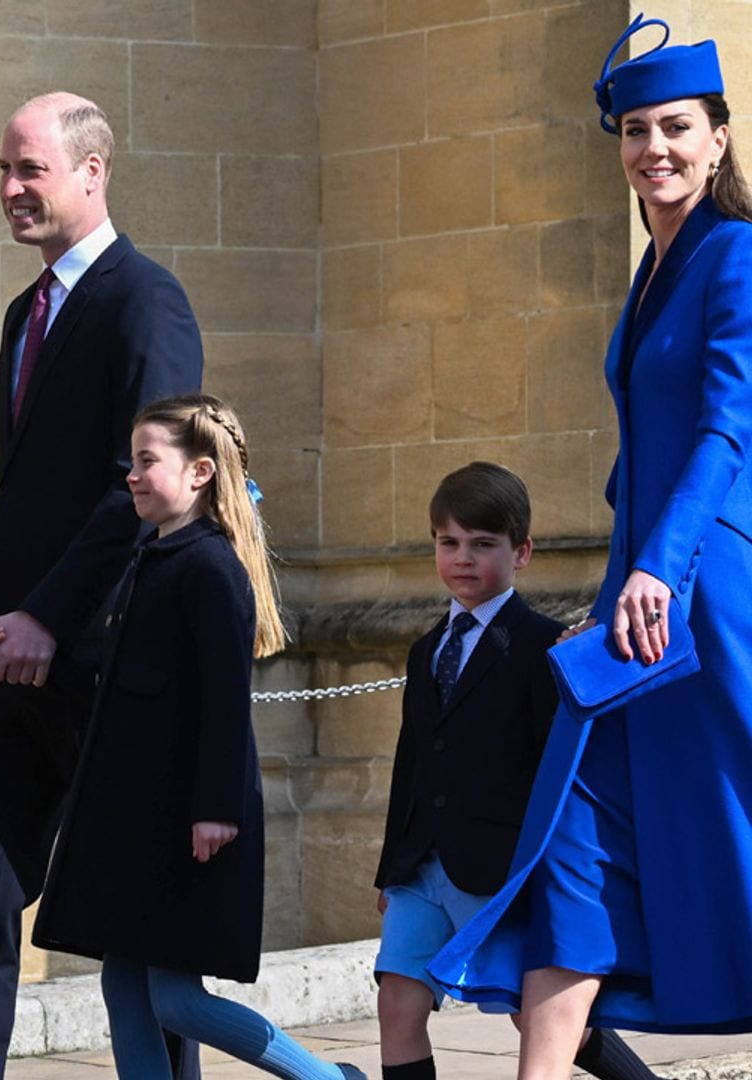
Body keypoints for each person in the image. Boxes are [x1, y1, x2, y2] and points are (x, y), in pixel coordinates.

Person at [428, 15, 752, 1077]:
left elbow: (726, 426)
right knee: (572, 843)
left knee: (730, 834)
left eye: (675, 128)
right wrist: (623, 562)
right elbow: (645, 443)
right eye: (635, 131)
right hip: (640, 595)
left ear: (717, 138)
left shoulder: (737, 254)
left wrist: (659, 562)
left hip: (709, 593)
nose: (653, 148)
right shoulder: (655, 266)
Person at [0, 92, 204, 1079]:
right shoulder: (19, 316)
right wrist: (13, 623)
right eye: (3, 169)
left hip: (109, 664)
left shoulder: (146, 300)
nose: (8, 190)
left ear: (93, 172)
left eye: (29, 169)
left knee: (138, 922)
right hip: (13, 670)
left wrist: (51, 613)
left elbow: (156, 490)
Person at [26, 393, 366, 1079]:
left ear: (200, 472)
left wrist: (213, 809)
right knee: (124, 988)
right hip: (134, 822)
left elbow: (220, 703)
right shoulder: (150, 558)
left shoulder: (208, 568)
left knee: (176, 999)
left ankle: (327, 1078)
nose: (132, 474)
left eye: (148, 461)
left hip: (186, 822)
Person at [374, 463, 657, 1080]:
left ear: (521, 552)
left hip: (500, 867)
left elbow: (560, 767)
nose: (463, 559)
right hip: (421, 865)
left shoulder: (543, 645)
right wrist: (389, 864)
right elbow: (413, 759)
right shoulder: (425, 651)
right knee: (397, 1002)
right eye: (449, 544)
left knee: (542, 1022)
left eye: (482, 544)